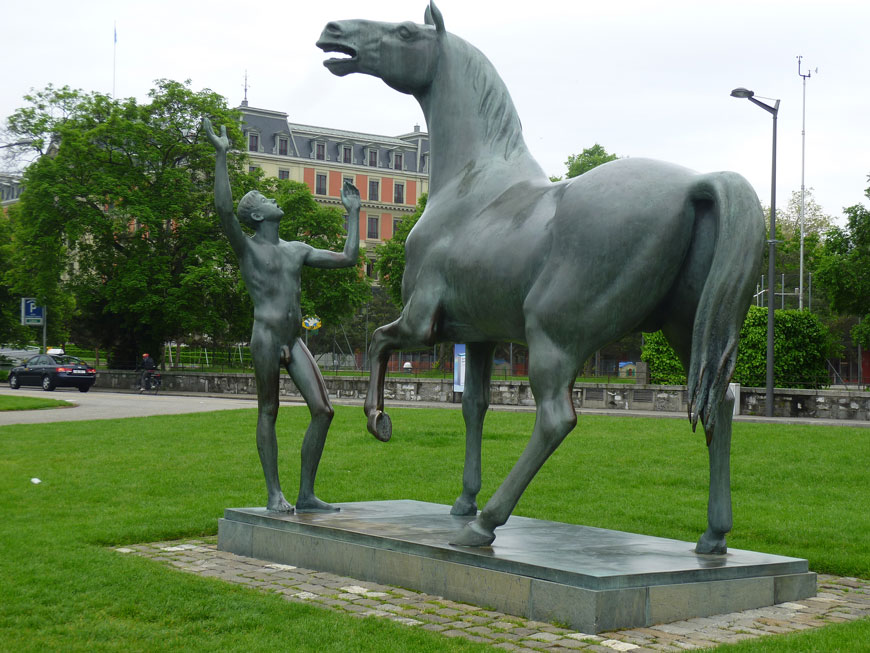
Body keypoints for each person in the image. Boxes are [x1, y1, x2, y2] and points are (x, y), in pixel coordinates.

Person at [204, 117, 360, 513]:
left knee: (324, 411)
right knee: (268, 411)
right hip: (267, 336)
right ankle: (275, 493)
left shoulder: (296, 249)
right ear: (257, 217)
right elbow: (223, 210)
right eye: (266, 201)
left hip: (292, 337)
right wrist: (222, 155)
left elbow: (348, 258)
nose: (275, 202)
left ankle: (306, 493)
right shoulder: (249, 250)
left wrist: (354, 213)